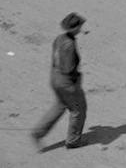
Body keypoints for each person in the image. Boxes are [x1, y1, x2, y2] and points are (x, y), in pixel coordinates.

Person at [31, 13, 88, 152]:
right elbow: (68, 68)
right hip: (67, 82)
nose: (81, 28)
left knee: (60, 105)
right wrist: (75, 79)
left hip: (55, 77)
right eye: (80, 25)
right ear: (75, 28)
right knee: (78, 110)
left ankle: (39, 132)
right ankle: (73, 140)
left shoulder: (59, 39)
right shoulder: (69, 44)